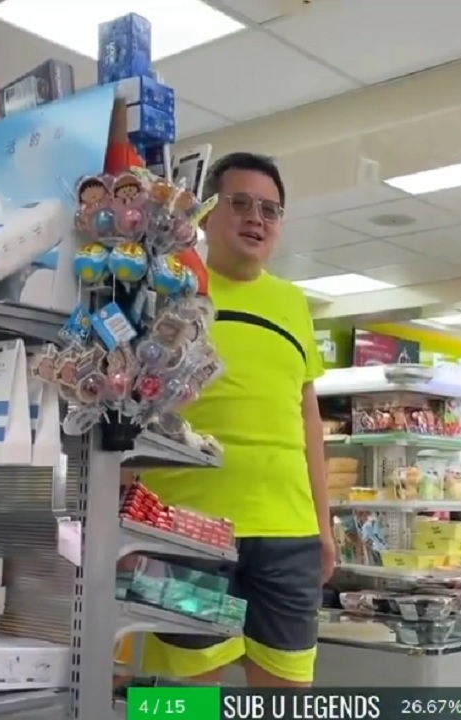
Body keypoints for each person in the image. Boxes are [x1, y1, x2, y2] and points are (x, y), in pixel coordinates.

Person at [136, 152, 334, 688]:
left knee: (286, 691)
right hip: (188, 528)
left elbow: (306, 417)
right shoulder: (168, 290)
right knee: (183, 698)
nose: (256, 218)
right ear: (205, 215)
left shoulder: (293, 303)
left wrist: (324, 521)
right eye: (240, 203)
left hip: (288, 532)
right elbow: (132, 405)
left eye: (270, 210)